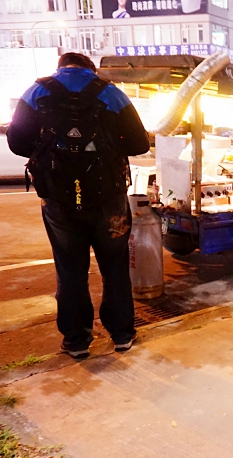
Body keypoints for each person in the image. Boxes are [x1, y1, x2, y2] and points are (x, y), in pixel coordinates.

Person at [6, 52, 150, 358]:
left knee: (70, 270)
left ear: (60, 68)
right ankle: (122, 334)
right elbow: (139, 143)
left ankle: (76, 340)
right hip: (109, 200)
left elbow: (17, 142)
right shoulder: (110, 93)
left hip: (59, 200)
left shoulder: (36, 92)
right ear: (91, 69)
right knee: (115, 267)